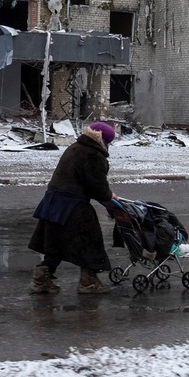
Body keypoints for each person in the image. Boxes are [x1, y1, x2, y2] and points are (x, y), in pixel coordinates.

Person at [28, 121, 118, 294]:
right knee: (90, 241)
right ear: (103, 140)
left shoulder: (76, 147)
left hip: (53, 203)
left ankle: (41, 278)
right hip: (73, 206)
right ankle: (88, 282)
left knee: (56, 242)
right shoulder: (93, 154)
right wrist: (110, 197)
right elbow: (97, 187)